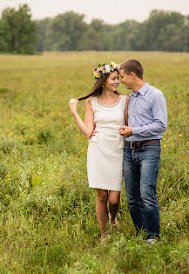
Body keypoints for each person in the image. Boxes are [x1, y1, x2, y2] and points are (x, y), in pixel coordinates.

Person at [69, 62, 129, 243]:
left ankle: (112, 217)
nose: (117, 82)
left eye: (118, 78)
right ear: (103, 81)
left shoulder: (125, 100)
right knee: (102, 196)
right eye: (114, 78)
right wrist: (74, 112)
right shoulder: (91, 102)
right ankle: (103, 234)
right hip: (98, 150)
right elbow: (88, 131)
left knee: (114, 198)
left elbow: (127, 124)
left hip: (117, 150)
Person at [118, 59, 167, 244]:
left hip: (149, 148)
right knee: (132, 197)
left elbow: (161, 125)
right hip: (129, 151)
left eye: (122, 77)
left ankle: (153, 236)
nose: (122, 81)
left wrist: (134, 131)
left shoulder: (155, 95)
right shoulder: (130, 98)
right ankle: (141, 233)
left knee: (146, 193)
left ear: (132, 75)